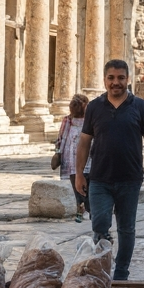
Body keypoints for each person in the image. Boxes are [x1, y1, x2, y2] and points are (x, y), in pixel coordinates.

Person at [74, 60, 144, 281]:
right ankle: (101, 269)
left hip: (130, 179)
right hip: (100, 178)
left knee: (126, 228)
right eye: (111, 78)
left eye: (121, 78)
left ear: (128, 79)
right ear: (105, 80)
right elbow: (84, 142)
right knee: (100, 224)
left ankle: (121, 273)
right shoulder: (94, 107)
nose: (116, 83)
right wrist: (78, 174)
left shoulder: (139, 106)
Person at [57, 94, 89, 222]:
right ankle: (86, 209)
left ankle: (80, 210)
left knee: (76, 185)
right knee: (87, 185)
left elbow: (60, 138)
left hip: (70, 158)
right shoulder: (89, 120)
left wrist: (58, 152)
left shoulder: (68, 120)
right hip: (87, 159)